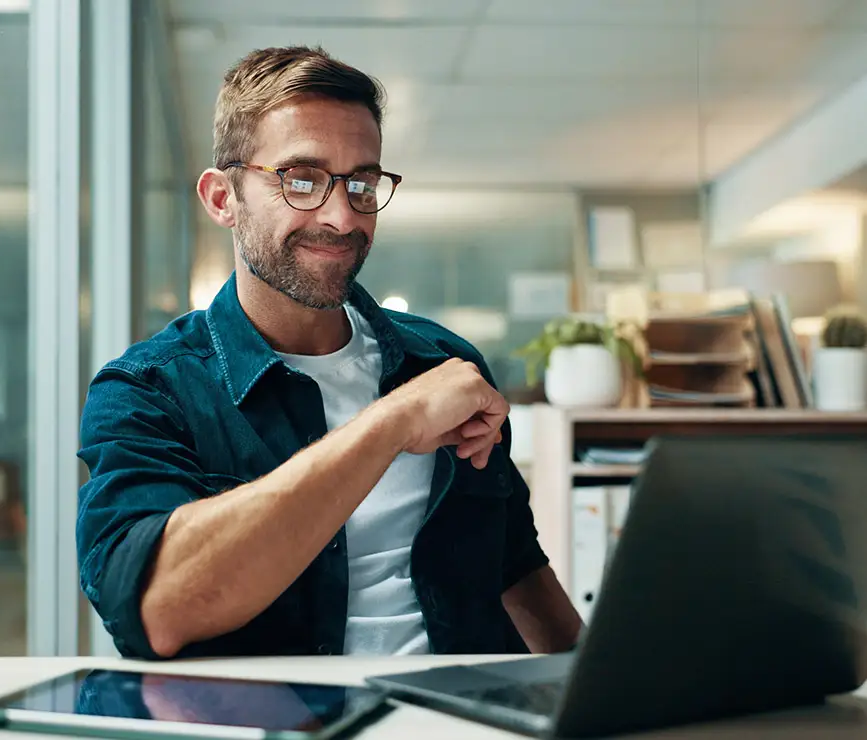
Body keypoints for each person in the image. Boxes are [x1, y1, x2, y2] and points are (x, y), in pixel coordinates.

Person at [77, 45, 582, 660]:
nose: (343, 217)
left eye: (362, 183)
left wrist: (596, 695)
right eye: (301, 180)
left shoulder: (444, 362)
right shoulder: (147, 389)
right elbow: (160, 608)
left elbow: (516, 566)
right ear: (221, 199)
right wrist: (392, 424)